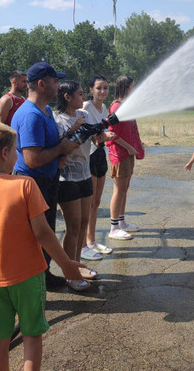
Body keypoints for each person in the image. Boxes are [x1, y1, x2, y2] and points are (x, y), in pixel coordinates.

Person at [0, 122, 85, 371]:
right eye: (16, 150)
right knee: (31, 334)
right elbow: (43, 233)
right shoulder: (25, 185)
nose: (18, 155)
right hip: (28, 276)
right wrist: (67, 265)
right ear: (5, 154)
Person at [11, 62, 79, 291]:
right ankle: (33, 285)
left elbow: (47, 147)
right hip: (34, 184)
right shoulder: (31, 115)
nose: (59, 86)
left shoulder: (46, 110)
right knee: (36, 235)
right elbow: (32, 159)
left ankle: (44, 276)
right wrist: (60, 151)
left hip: (47, 181)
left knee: (47, 230)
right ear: (42, 84)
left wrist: (59, 150)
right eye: (55, 82)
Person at [54, 81, 114, 289]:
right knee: (72, 225)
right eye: (80, 94)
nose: (83, 98)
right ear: (67, 97)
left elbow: (96, 140)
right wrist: (77, 129)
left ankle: (77, 265)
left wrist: (101, 134)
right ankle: (70, 273)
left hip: (85, 174)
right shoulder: (58, 118)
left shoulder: (84, 115)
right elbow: (63, 146)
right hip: (67, 177)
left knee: (83, 222)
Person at [106, 76, 145, 240]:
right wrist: (129, 147)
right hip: (120, 154)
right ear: (125, 88)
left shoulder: (126, 106)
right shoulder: (116, 107)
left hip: (128, 153)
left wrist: (137, 145)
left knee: (124, 189)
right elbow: (112, 134)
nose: (134, 89)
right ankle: (114, 227)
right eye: (132, 87)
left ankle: (121, 222)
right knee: (119, 190)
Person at [81, 75, 114, 260]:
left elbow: (100, 133)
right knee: (88, 202)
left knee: (96, 203)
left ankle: (92, 241)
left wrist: (106, 137)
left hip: (101, 154)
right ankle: (85, 243)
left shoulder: (105, 109)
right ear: (91, 90)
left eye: (106, 88)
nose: (102, 92)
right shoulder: (86, 107)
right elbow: (84, 133)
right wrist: (101, 137)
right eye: (99, 88)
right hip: (89, 156)